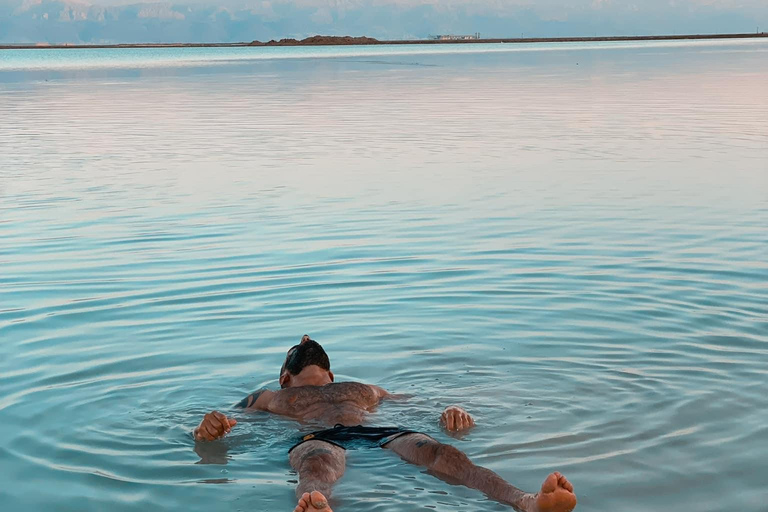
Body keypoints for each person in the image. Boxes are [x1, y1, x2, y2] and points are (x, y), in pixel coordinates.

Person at [194, 335, 577, 512]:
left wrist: (452, 411)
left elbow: (422, 406)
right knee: (317, 463)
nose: (306, 343)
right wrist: (207, 428)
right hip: (320, 436)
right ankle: (315, 506)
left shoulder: (365, 388)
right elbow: (228, 421)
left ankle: (526, 502)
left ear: (332, 375)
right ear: (284, 378)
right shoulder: (269, 396)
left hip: (384, 432)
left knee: (445, 452)